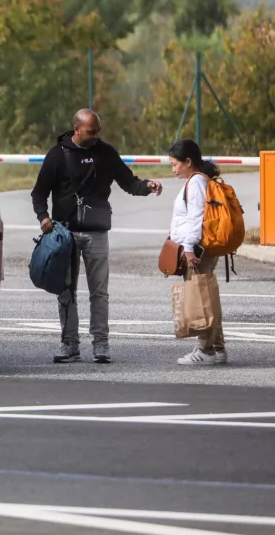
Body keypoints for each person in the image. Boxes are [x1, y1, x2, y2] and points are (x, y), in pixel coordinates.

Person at [31, 109, 163, 364]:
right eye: (92, 131)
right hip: (64, 235)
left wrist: (147, 186)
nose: (96, 136)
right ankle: (70, 344)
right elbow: (39, 193)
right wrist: (43, 217)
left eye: (98, 130)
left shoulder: (106, 152)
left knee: (99, 293)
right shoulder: (57, 155)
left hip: (97, 234)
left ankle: (101, 344)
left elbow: (128, 182)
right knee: (66, 291)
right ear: (77, 129)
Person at [167, 139, 227, 365]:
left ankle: (206, 350)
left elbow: (196, 218)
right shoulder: (198, 180)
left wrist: (189, 248)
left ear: (188, 161)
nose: (173, 170)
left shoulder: (196, 183)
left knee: (202, 297)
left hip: (198, 248)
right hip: (200, 247)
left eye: (175, 164)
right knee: (207, 296)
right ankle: (217, 348)